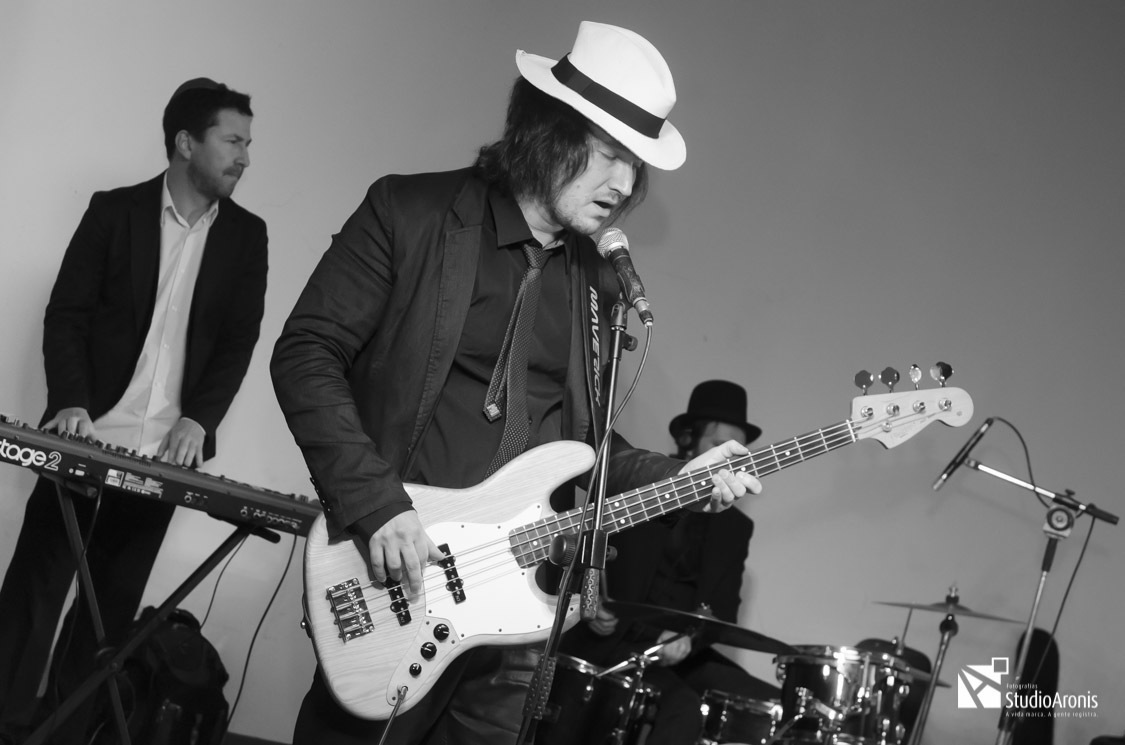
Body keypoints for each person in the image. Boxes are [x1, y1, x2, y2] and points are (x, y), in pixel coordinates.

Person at [271, 21, 761, 745]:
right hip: (402, 578)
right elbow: (306, 353)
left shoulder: (594, 283)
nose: (626, 184)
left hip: (513, 616)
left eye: (636, 165)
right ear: (547, 133)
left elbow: (586, 446)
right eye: (610, 155)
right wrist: (374, 503)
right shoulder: (411, 213)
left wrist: (679, 476)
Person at [0, 78, 267, 745]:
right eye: (232, 140)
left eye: (247, 143)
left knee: (108, 616)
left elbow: (237, 342)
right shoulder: (114, 212)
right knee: (35, 593)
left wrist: (199, 419)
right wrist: (70, 402)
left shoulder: (247, 237)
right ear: (186, 142)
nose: (244, 157)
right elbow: (67, 314)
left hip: (165, 456)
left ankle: (61, 735)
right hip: (86, 435)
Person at [561, 379, 781, 745]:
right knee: (683, 710)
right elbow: (579, 550)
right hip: (611, 639)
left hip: (681, 653)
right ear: (688, 441)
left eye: (739, 454)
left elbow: (723, 610)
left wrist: (688, 640)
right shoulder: (638, 488)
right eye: (717, 446)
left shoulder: (737, 528)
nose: (730, 463)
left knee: (773, 706)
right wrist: (586, 601)